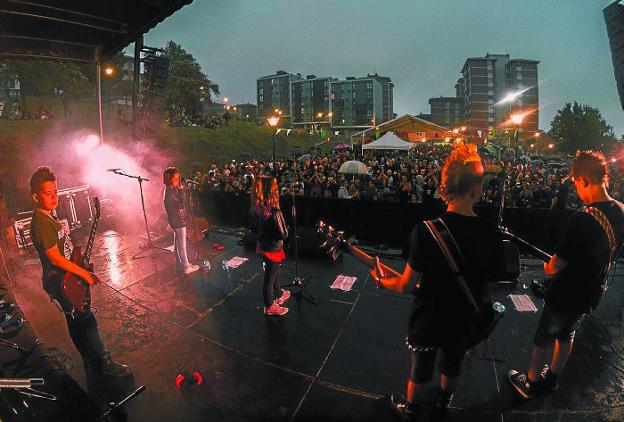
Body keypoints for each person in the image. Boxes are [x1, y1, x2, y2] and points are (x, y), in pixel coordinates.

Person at [371, 143, 504, 420]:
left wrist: (382, 281)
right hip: (465, 319)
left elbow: (407, 286)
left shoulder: (425, 232)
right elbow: (490, 284)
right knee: (453, 364)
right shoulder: (491, 234)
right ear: (476, 189)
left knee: (420, 370)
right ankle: (443, 404)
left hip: (429, 318)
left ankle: (411, 410)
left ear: (445, 188)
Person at [508, 150, 624, 399]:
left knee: (545, 337)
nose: (578, 193)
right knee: (568, 333)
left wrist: (549, 267)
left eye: (576, 186)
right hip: (592, 292)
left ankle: (530, 382)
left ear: (583, 181)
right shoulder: (622, 211)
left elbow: (556, 265)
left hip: (566, 291)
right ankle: (552, 379)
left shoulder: (583, 218)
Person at [28, 166, 131, 379]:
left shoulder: (48, 218)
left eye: (55, 192)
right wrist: (83, 274)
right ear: (35, 197)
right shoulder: (40, 223)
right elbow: (55, 258)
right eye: (48, 194)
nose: (54, 197)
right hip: (61, 281)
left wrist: (79, 263)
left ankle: (90, 362)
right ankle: (104, 361)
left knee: (76, 321)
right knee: (87, 320)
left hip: (66, 278)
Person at [251, 177, 290, 316]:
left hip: (262, 246)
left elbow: (253, 228)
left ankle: (279, 293)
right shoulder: (275, 211)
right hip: (273, 248)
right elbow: (283, 234)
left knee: (274, 272)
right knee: (269, 278)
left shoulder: (256, 207)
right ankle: (270, 306)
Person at [163, 167, 200, 275]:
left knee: (177, 243)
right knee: (182, 244)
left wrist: (179, 190)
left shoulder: (170, 189)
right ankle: (186, 266)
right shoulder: (170, 191)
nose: (179, 180)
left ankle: (179, 263)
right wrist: (182, 191)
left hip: (176, 220)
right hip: (178, 220)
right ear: (171, 179)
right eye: (176, 178)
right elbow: (180, 205)